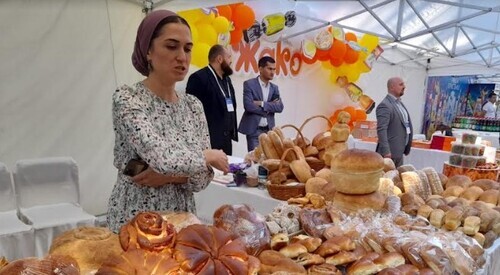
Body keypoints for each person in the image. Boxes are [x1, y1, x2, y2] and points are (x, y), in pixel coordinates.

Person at [107, 10, 228, 233]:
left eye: (187, 48)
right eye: (171, 46)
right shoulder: (128, 99)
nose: (182, 56)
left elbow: (203, 179)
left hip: (182, 220)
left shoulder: (193, 106)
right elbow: (161, 156)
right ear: (148, 52)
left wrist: (167, 177)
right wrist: (207, 157)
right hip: (136, 220)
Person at [186, 45, 238, 155]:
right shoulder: (199, 78)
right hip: (209, 140)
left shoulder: (227, 80)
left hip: (226, 140)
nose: (231, 61)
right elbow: (190, 112)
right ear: (219, 59)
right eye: (228, 57)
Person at [238, 56, 284, 151]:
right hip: (254, 130)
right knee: (255, 161)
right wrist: (269, 108)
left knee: (267, 161)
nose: (272, 72)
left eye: (274, 69)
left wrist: (262, 104)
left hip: (269, 130)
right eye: (269, 69)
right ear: (260, 69)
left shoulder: (274, 88)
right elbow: (248, 106)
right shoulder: (249, 84)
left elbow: (279, 107)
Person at [376, 77, 413, 167]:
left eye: (403, 84)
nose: (404, 87)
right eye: (401, 84)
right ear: (392, 87)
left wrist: (407, 147)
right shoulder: (384, 105)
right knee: (385, 180)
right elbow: (382, 129)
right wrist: (386, 151)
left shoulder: (400, 104)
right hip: (389, 154)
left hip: (399, 152)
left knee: (396, 180)